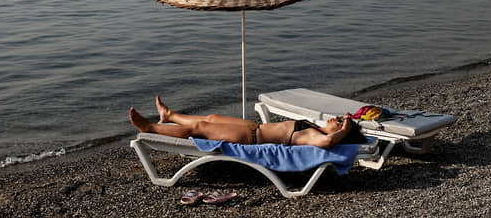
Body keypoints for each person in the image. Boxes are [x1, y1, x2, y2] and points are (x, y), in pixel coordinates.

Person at [129, 96, 365, 148]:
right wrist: (346, 123)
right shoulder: (316, 127)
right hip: (253, 128)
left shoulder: (316, 136)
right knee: (211, 119)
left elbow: (326, 142)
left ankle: (150, 127)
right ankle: (169, 115)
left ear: (342, 132)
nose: (336, 119)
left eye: (340, 123)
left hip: (251, 138)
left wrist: (343, 131)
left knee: (199, 129)